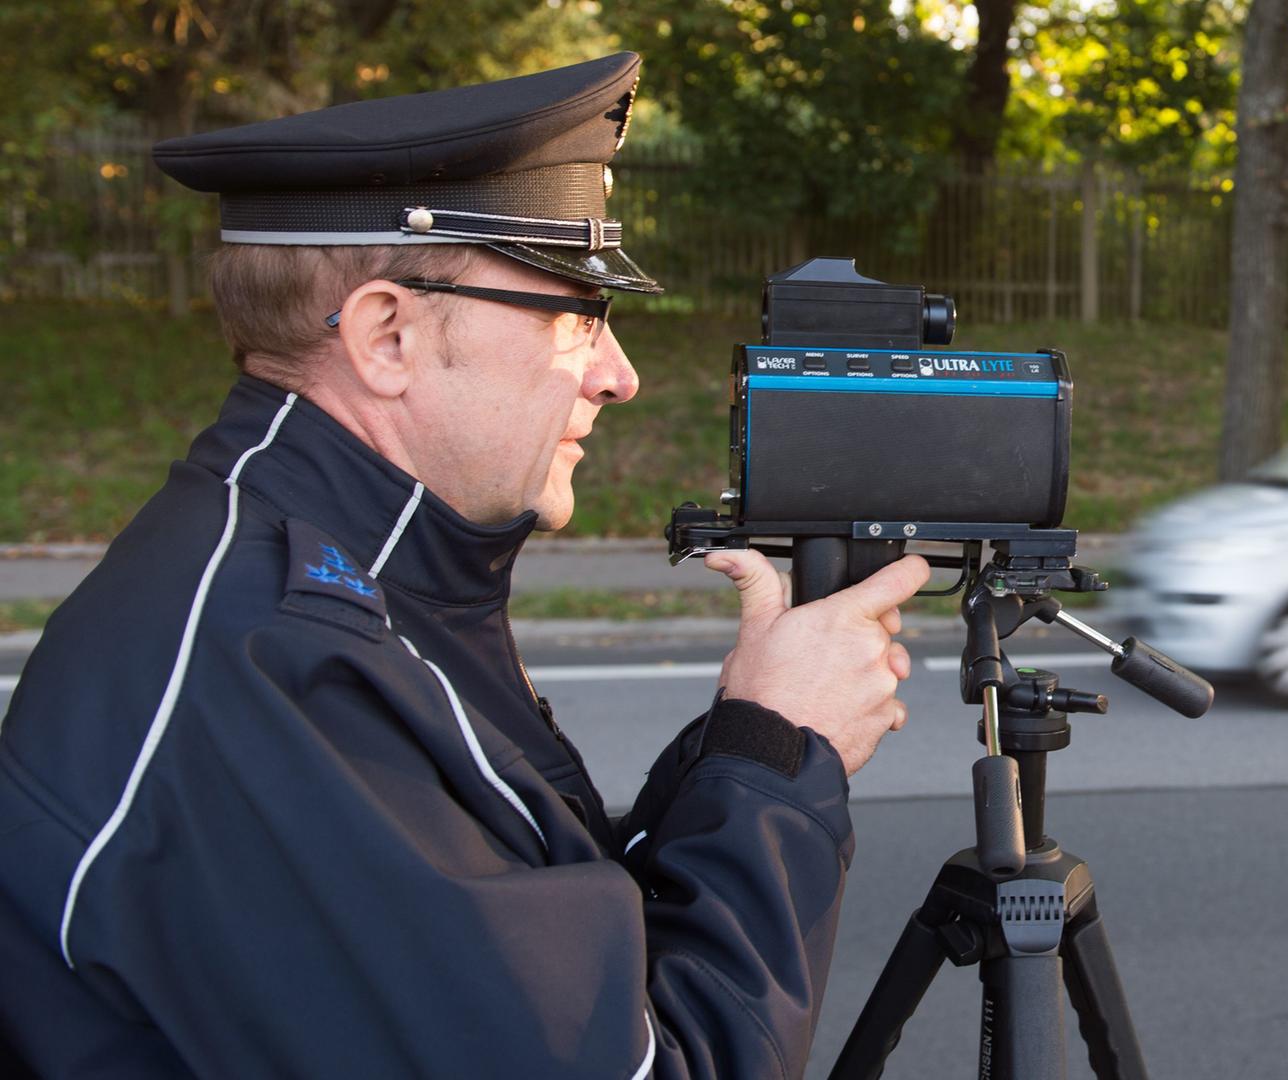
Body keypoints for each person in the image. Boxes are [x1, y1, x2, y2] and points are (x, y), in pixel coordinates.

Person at [0, 52, 930, 1078]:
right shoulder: (269, 663)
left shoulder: (353, 577)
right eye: (578, 315)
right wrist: (779, 761)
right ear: (388, 336)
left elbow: (555, 920)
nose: (621, 376)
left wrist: (747, 735)